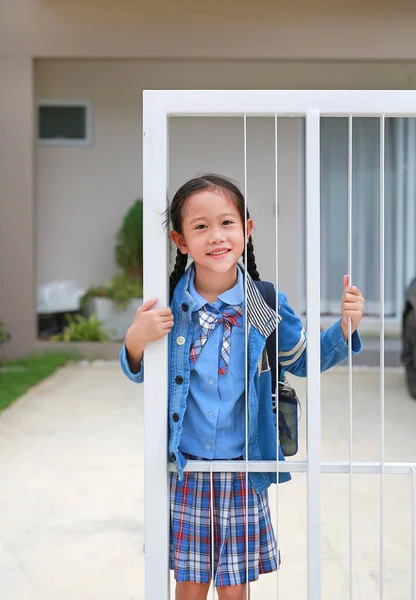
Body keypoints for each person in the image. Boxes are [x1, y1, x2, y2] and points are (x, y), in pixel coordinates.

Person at [120, 174, 364, 600]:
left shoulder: (264, 304)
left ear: (246, 229)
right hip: (187, 467)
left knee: (235, 589)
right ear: (180, 240)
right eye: (200, 226)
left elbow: (302, 361)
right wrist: (134, 340)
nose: (216, 236)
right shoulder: (170, 308)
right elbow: (142, 370)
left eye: (227, 223)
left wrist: (345, 328)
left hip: (244, 467)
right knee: (191, 586)